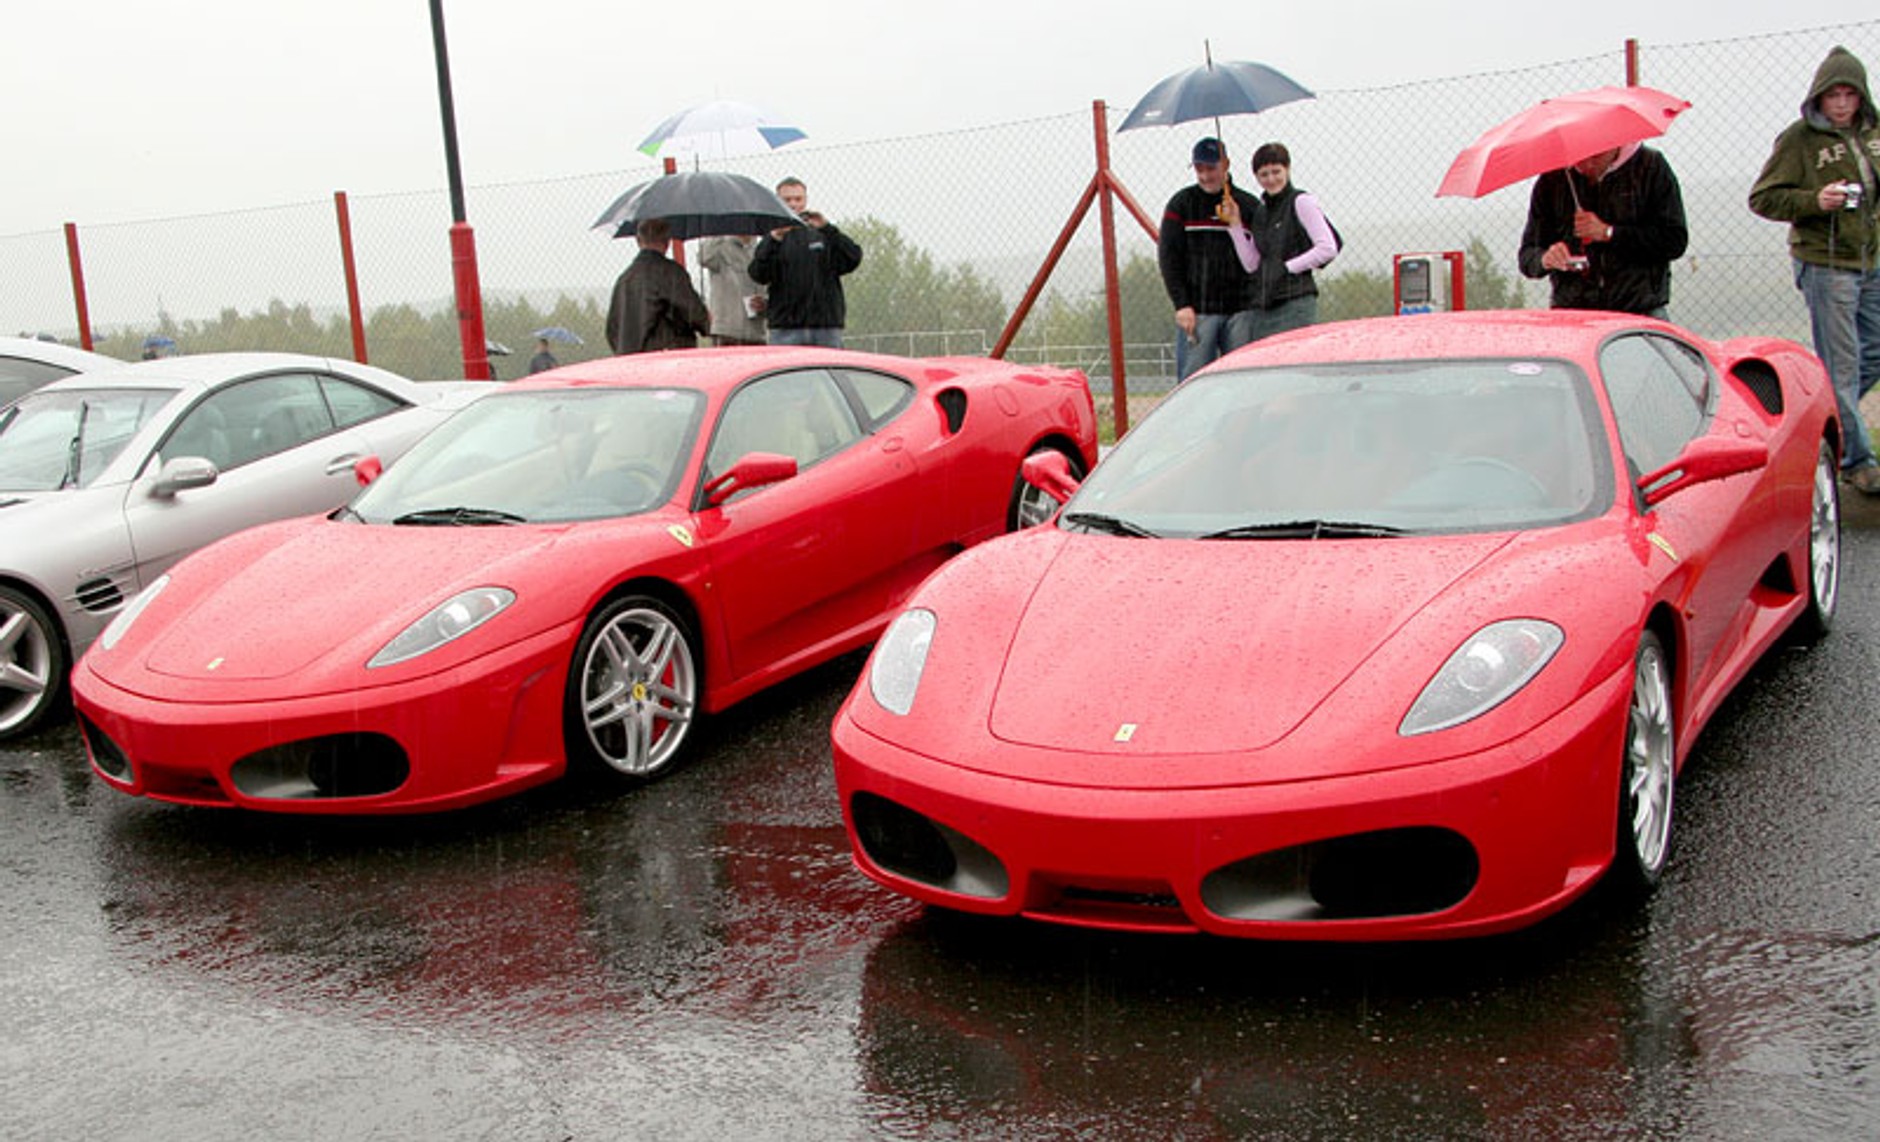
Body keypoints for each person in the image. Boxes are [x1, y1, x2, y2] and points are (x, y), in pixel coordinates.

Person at [1749, 45, 1880, 494]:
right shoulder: (1798, 140)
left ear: (1861, 96)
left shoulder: (1873, 134)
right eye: (1833, 95)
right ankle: (1858, 461)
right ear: (1818, 97)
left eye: (1850, 94)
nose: (1842, 104)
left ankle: (1821, 421)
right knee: (1841, 367)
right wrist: (1813, 201)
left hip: (1871, 260)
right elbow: (1763, 198)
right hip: (1827, 267)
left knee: (1873, 353)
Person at [1517, 141, 1688, 318]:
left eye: (1597, 156)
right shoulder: (1552, 180)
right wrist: (1546, 258)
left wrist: (1609, 233)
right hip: (1572, 313)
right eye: (1580, 157)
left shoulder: (1650, 166)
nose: (1588, 164)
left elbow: (1674, 240)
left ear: (1616, 143)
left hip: (1640, 310)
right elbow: (1527, 256)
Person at [1157, 137, 1262, 380]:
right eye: (1199, 169)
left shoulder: (1248, 205)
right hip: (1199, 311)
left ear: (1226, 164)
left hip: (1242, 312)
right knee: (1193, 380)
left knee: (1243, 380)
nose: (1205, 176)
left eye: (1211, 168)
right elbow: (1168, 257)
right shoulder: (1181, 204)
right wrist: (1181, 304)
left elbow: (1260, 257)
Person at [1222, 141, 1339, 342]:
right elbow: (1252, 264)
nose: (1271, 179)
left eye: (1276, 171)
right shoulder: (1261, 211)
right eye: (1264, 174)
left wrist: (1287, 267)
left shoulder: (1301, 202)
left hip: (1296, 302)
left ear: (1288, 169)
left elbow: (1328, 248)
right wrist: (1234, 225)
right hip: (1266, 303)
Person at [749, 178, 862, 348]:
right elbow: (758, 274)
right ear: (777, 201)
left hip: (826, 327)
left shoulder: (823, 234)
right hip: (785, 328)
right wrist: (774, 239)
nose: (793, 204)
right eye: (787, 200)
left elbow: (853, 258)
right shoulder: (772, 238)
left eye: (798, 199)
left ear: (805, 200)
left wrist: (827, 228)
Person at [605, 217, 711, 355]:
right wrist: (707, 321)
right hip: (667, 359)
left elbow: (611, 330)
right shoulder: (671, 273)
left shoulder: (624, 280)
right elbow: (694, 314)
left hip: (630, 361)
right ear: (667, 242)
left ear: (638, 240)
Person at [699, 234, 768, 346]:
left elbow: (769, 286)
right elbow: (703, 258)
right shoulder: (720, 247)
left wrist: (765, 303)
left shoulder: (761, 251)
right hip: (727, 332)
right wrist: (721, 230)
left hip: (756, 333)